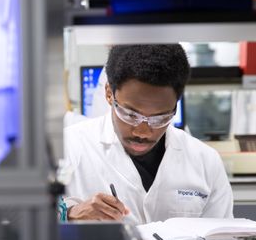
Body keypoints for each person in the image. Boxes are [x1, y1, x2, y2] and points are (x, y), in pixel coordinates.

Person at [62, 44, 233, 224]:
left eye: (160, 118)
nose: (142, 132)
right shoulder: (69, 147)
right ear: (109, 94)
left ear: (176, 104)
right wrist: (70, 213)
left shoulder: (205, 161)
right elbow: (32, 223)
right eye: (130, 115)